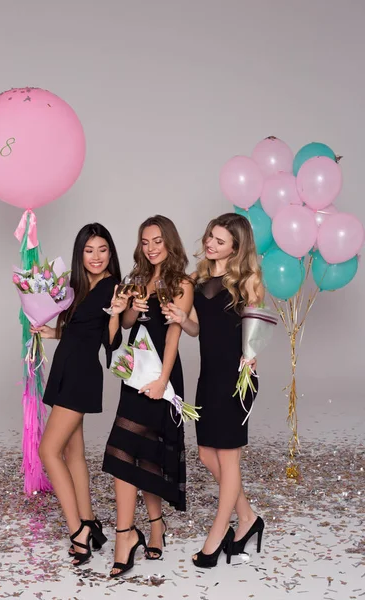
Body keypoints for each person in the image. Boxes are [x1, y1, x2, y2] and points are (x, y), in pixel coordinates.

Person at [164, 213, 265, 568]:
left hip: (237, 378)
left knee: (228, 456)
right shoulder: (199, 277)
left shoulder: (249, 281)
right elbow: (197, 330)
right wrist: (182, 319)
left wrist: (251, 358)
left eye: (220, 241)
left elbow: (256, 330)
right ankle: (249, 518)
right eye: (210, 237)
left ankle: (218, 536)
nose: (211, 244)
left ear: (237, 247)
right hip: (208, 376)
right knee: (207, 454)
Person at [102, 215, 194, 578]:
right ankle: (136, 531)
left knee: (148, 453)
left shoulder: (182, 283)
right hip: (134, 370)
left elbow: (174, 336)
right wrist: (130, 309)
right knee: (128, 452)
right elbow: (125, 327)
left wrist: (163, 381)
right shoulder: (137, 280)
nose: (152, 248)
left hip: (162, 376)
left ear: (170, 242)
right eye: (145, 241)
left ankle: (146, 530)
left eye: (158, 240)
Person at [32, 223, 125, 567]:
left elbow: (111, 342)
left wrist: (115, 315)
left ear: (111, 252)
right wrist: (50, 329)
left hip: (82, 375)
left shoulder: (113, 287)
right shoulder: (77, 286)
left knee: (48, 450)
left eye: (102, 249)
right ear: (80, 253)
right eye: (89, 250)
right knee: (73, 452)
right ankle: (90, 523)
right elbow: (77, 330)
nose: (96, 256)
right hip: (66, 369)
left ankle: (78, 533)